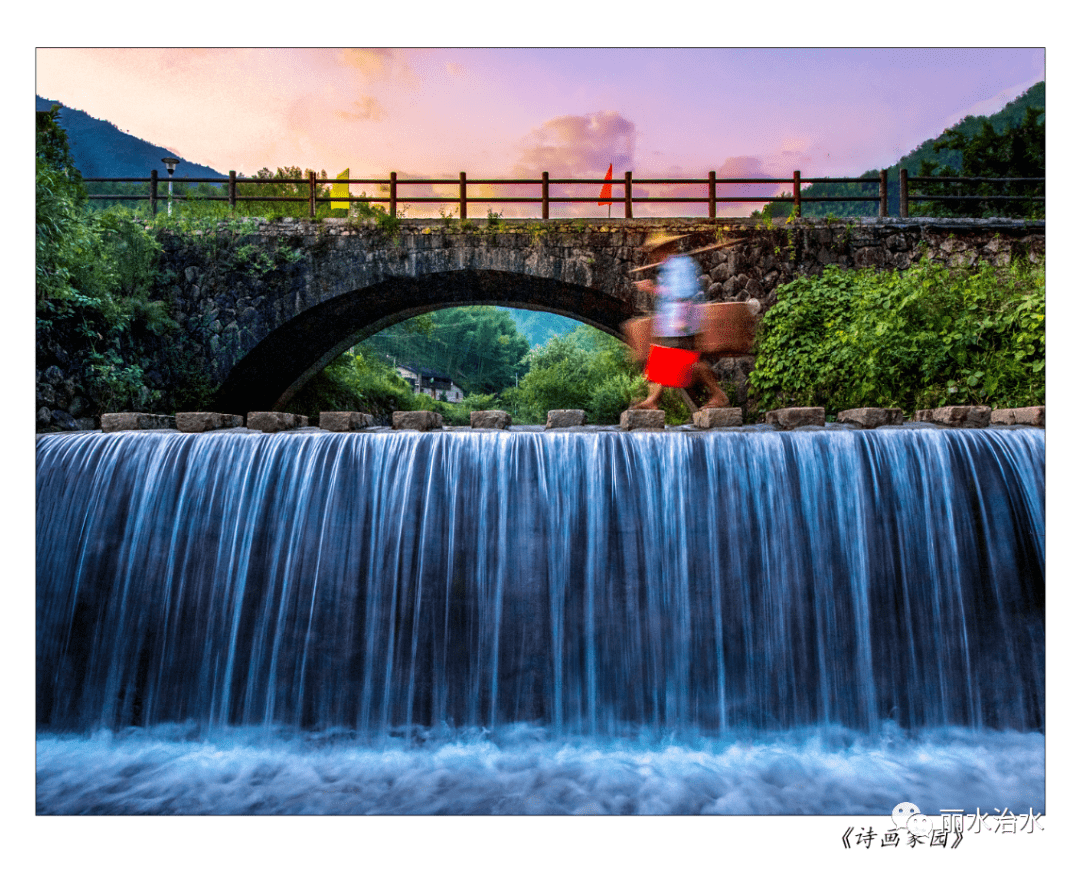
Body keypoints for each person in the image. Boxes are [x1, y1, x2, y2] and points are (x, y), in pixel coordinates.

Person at [630, 233, 729, 411]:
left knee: (686, 362)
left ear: (665, 250)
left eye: (655, 250)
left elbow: (684, 293)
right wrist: (652, 289)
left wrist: (679, 319)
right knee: (663, 360)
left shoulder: (680, 265)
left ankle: (718, 395)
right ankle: (653, 400)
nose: (653, 255)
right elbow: (670, 293)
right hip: (672, 325)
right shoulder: (668, 267)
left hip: (681, 324)